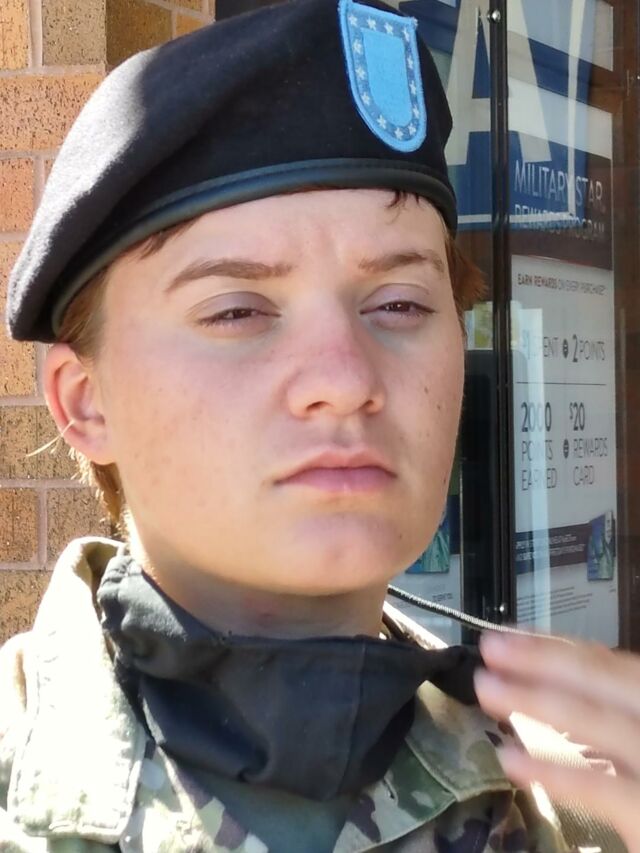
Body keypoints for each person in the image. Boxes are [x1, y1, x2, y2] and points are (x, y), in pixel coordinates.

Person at [2, 1, 639, 850]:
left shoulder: (586, 808)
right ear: (85, 400)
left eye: (400, 303)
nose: (345, 380)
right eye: (237, 310)